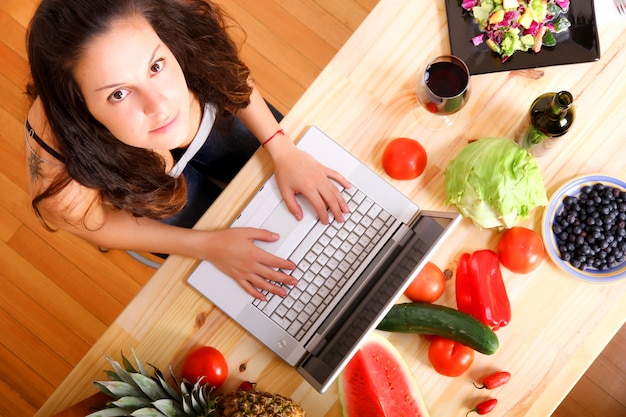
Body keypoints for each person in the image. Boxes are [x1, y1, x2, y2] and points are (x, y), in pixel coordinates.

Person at [25, 0, 350, 300]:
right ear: (79, 107)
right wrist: (209, 246)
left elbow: (227, 73)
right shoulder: (57, 164)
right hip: (137, 178)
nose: (159, 105)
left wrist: (282, 148)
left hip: (205, 112)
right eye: (119, 94)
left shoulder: (172, 12)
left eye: (155, 66)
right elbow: (93, 225)